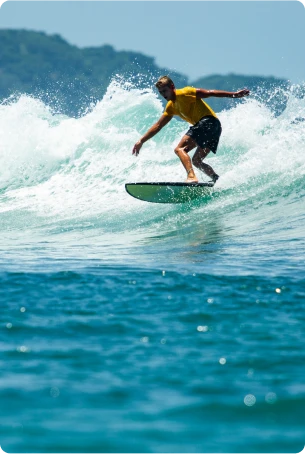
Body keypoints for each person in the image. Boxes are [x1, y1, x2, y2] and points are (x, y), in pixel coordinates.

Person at [132, 76, 250, 183]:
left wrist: (234, 95)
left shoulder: (184, 93)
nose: (163, 94)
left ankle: (192, 177)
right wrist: (141, 141)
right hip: (215, 128)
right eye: (160, 92)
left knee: (179, 149)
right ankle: (216, 179)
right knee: (197, 161)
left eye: (165, 91)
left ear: (172, 87)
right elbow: (158, 125)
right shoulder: (171, 106)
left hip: (208, 122)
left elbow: (210, 93)